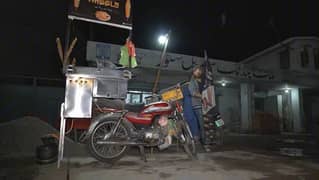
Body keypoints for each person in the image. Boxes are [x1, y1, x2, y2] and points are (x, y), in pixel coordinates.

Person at [188, 66, 206, 144]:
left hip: (205, 104)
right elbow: (193, 93)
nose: (199, 73)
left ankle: (208, 137)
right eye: (197, 71)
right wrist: (203, 97)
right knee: (201, 123)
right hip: (197, 105)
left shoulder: (202, 81)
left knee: (207, 122)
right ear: (194, 72)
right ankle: (204, 140)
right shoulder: (192, 81)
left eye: (200, 72)